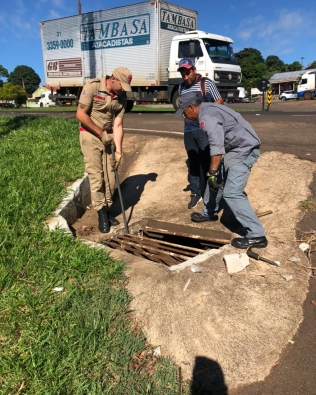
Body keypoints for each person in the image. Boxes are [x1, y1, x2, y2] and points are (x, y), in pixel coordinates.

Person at [174, 91, 267, 249]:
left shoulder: (206, 118)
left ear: (191, 107)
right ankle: (209, 212)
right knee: (215, 180)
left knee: (231, 192)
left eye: (184, 112)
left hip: (244, 150)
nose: (185, 116)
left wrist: (212, 170)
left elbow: (216, 148)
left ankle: (257, 235)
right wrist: (214, 172)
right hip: (235, 148)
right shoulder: (208, 108)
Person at [76, 67, 132, 233]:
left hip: (108, 139)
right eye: (121, 85)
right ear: (113, 78)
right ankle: (101, 213)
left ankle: (107, 210)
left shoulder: (122, 98)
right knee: (97, 176)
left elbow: (118, 124)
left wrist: (119, 152)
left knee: (111, 177)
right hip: (90, 135)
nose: (123, 89)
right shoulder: (92, 87)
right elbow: (80, 114)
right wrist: (100, 133)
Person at [177, 58, 224, 210]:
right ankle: (195, 192)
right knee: (193, 161)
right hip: (188, 129)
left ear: (194, 70)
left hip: (204, 128)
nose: (185, 77)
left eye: (187, 73)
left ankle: (209, 193)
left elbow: (219, 101)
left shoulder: (206, 83)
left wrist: (205, 114)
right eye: (183, 74)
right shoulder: (181, 88)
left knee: (206, 161)